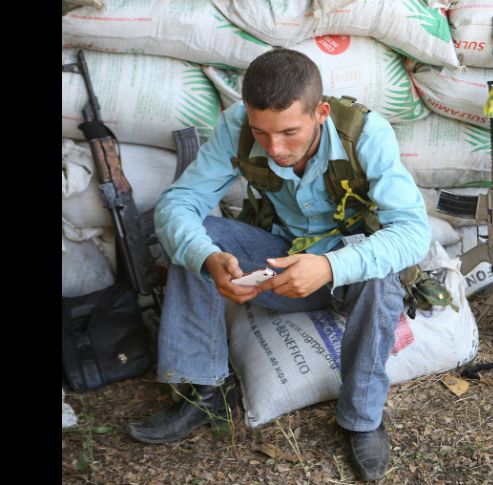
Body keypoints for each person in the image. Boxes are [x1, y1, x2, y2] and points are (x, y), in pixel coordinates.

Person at [126, 48, 431, 482]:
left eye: (290, 132)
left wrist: (329, 267)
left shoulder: (366, 134)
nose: (275, 148)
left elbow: (413, 233)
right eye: (262, 133)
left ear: (321, 113)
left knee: (380, 276)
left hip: (348, 275)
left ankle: (362, 419)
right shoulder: (236, 126)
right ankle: (207, 393)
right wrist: (207, 258)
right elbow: (179, 202)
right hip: (280, 262)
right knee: (192, 238)